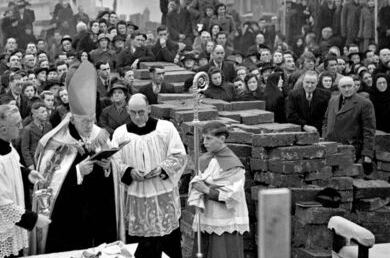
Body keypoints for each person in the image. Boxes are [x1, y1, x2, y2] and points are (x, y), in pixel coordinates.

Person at [32, 61, 124, 254]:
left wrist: (107, 168)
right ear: (72, 118)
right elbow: (47, 183)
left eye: (92, 120)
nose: (90, 126)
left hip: (96, 213)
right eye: (84, 122)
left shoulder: (99, 135)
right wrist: (76, 172)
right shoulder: (56, 141)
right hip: (68, 216)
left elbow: (112, 179)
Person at [0, 104, 51, 258]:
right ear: (4, 129)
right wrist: (34, 219)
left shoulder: (4, 144)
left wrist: (27, 173)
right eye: (17, 124)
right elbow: (1, 206)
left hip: (7, 225)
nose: (22, 126)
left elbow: (12, 164)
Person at [111, 94, 187, 258]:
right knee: (141, 248)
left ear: (149, 109)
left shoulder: (165, 128)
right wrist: (129, 171)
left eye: (141, 112)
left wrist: (162, 168)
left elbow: (179, 156)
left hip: (163, 194)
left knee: (168, 245)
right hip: (136, 196)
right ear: (127, 111)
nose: (137, 117)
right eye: (133, 113)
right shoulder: (120, 134)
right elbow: (114, 162)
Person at [188, 121, 249, 258]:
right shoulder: (205, 159)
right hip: (205, 216)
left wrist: (205, 189)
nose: (204, 142)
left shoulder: (233, 164)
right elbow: (196, 185)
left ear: (222, 139)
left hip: (224, 219)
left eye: (208, 138)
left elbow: (233, 195)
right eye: (203, 138)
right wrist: (198, 186)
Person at [322, 76, 376, 161]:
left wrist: (367, 154)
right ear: (339, 88)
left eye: (349, 86)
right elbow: (326, 120)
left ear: (354, 87)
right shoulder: (333, 100)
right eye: (343, 87)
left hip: (351, 149)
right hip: (331, 146)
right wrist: (325, 136)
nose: (347, 89)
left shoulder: (364, 103)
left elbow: (369, 130)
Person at [20, 100, 52, 169]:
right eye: (43, 112)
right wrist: (30, 164)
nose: (46, 113)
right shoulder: (27, 129)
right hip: (34, 161)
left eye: (46, 111)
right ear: (35, 114)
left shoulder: (48, 126)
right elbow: (25, 149)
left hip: (47, 159)